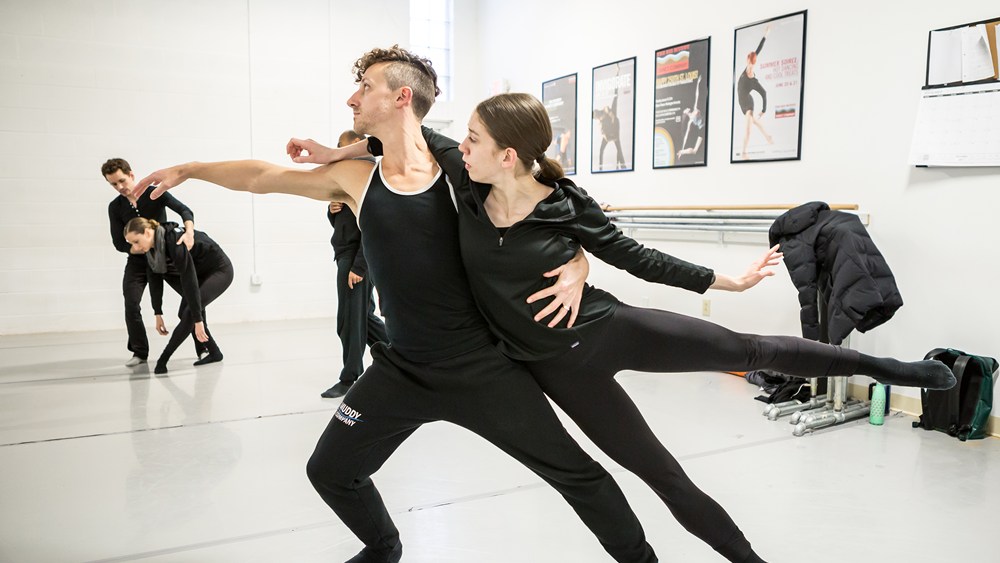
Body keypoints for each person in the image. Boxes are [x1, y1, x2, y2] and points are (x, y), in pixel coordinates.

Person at [330, 92, 956, 563]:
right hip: (559, 371)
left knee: (748, 347)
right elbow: (409, 135)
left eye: (473, 140)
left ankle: (891, 370)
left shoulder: (564, 202)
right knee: (663, 475)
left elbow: (637, 257)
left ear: (508, 154)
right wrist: (334, 152)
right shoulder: (466, 183)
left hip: (610, 327)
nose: (460, 147)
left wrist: (725, 281)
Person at [132, 46, 657, 563]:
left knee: (577, 474)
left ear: (402, 97)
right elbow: (263, 178)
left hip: (480, 367)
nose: (352, 99)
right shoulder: (358, 178)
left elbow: (547, 205)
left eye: (366, 88)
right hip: (402, 370)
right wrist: (191, 169)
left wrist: (581, 259)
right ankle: (384, 549)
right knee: (329, 471)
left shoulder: (462, 175)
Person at [103, 158, 206, 367]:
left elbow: (185, 211)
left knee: (192, 298)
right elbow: (117, 242)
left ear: (131, 175)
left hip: (166, 257)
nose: (120, 187)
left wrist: (189, 232)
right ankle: (139, 352)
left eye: (122, 180)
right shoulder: (115, 207)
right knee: (131, 303)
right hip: (138, 262)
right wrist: (138, 248)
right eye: (114, 184)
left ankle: (204, 347)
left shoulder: (154, 192)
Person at [123, 217, 234, 375]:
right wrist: (158, 312)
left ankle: (163, 360)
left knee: (189, 314)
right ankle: (215, 352)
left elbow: (188, 279)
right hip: (200, 273)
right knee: (184, 313)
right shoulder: (152, 250)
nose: (135, 248)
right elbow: (155, 280)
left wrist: (198, 319)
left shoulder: (174, 242)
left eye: (136, 241)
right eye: (131, 244)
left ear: (147, 233)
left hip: (219, 270)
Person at [323, 130, 388, 399]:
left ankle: (350, 377)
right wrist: (331, 209)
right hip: (345, 254)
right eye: (339, 147)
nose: (341, 153)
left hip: (357, 259)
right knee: (362, 318)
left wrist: (359, 267)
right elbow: (345, 225)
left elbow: (373, 228)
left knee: (349, 321)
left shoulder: (368, 178)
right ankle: (403, 354)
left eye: (346, 148)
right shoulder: (347, 180)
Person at [737, 25, 773, 159]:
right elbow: (759, 49)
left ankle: (744, 153)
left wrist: (764, 110)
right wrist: (766, 34)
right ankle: (768, 136)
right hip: (741, 102)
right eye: (749, 62)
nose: (750, 66)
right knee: (754, 122)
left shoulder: (752, 79)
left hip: (747, 103)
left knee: (748, 127)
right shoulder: (748, 64)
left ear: (753, 64)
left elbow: (764, 93)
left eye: (752, 64)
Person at [676, 75, 705, 159]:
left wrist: (698, 84)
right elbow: (685, 137)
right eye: (685, 110)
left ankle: (681, 152)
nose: (687, 108)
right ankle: (681, 152)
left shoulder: (695, 109)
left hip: (703, 126)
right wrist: (682, 148)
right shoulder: (690, 121)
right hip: (702, 129)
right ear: (685, 113)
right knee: (695, 151)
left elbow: (697, 95)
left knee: (695, 150)